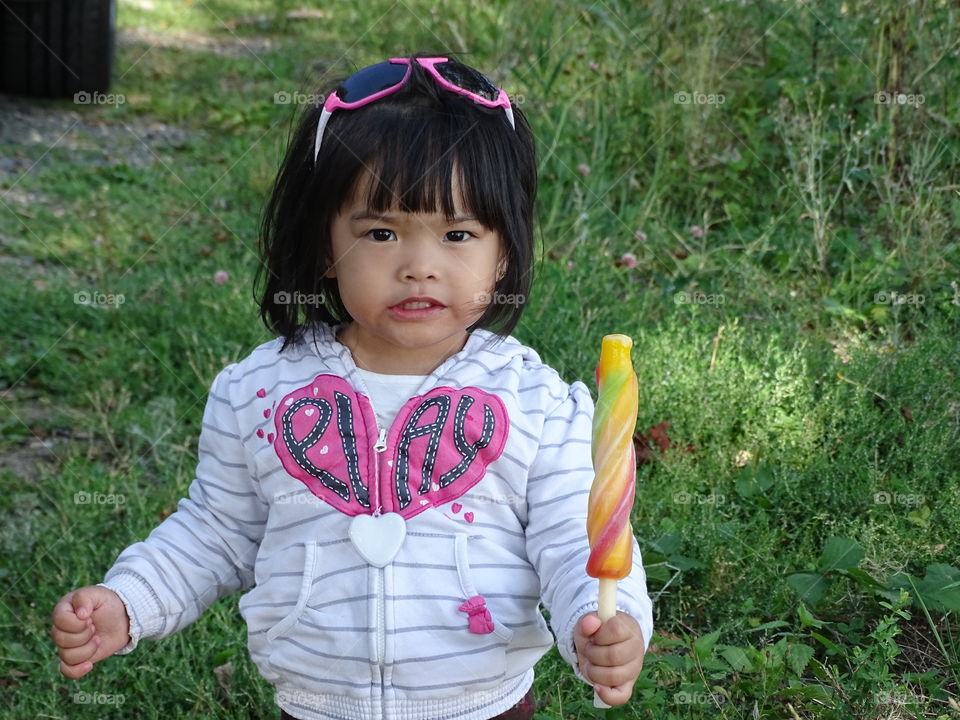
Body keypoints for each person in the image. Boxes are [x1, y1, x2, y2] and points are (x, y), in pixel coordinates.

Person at [50, 53, 654, 720]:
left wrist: (608, 621)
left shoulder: (535, 402)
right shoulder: (260, 393)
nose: (419, 267)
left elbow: (577, 541)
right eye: (380, 232)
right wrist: (130, 600)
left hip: (483, 706)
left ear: (504, 250)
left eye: (458, 234)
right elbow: (216, 532)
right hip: (316, 705)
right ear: (322, 246)